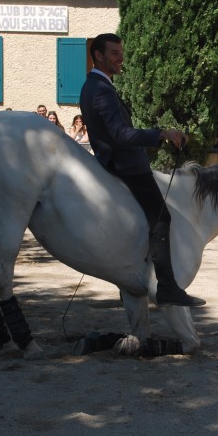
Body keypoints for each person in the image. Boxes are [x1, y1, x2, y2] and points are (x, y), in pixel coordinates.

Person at [79, 32, 204, 307]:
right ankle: (168, 287)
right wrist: (162, 134)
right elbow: (121, 135)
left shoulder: (94, 86)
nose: (120, 58)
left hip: (118, 162)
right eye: (114, 53)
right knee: (162, 219)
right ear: (98, 55)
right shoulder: (101, 90)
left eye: (121, 52)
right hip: (126, 166)